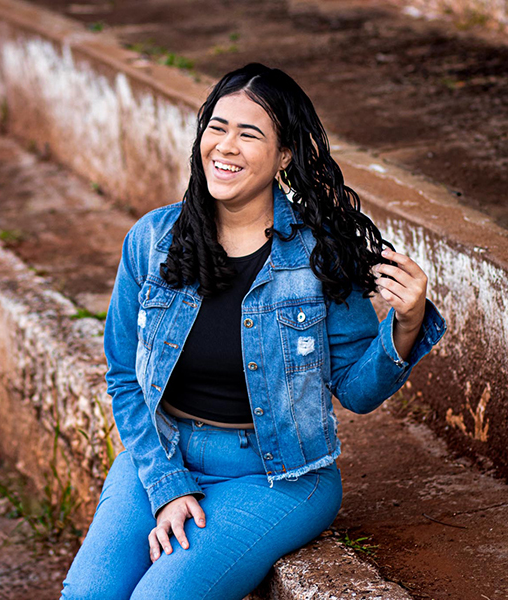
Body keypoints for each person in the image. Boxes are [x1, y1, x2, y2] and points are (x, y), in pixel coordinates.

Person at [59, 62, 447, 599]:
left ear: (284, 155)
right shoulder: (153, 240)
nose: (226, 146)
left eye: (249, 133)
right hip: (164, 449)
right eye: (217, 127)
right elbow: (124, 376)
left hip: (278, 476)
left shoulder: (320, 256)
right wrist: (168, 485)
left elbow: (356, 393)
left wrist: (404, 325)